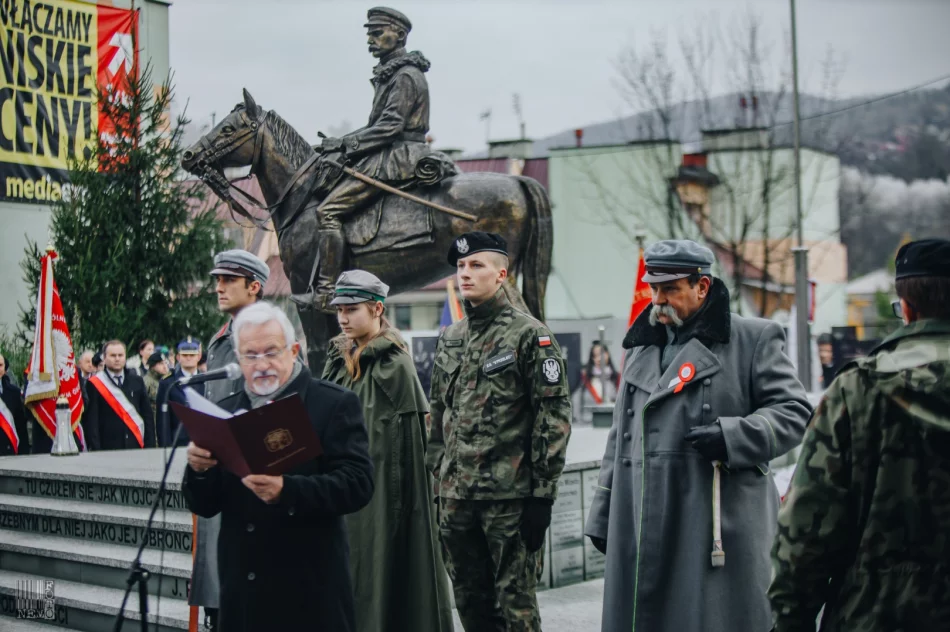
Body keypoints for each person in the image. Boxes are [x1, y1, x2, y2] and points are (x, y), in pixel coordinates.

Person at [584, 239, 811, 632]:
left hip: (713, 521)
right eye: (654, 288)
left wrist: (734, 436)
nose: (658, 300)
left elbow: (794, 412)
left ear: (702, 287)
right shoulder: (642, 346)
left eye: (670, 289)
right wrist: (603, 514)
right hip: (641, 516)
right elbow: (620, 436)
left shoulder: (752, 339)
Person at [770, 238, 950, 631]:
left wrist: (790, 619)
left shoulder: (858, 391)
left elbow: (808, 527)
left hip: (875, 615)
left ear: (906, 308)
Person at [182, 301, 374, 632]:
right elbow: (205, 504)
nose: (262, 365)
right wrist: (199, 470)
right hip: (243, 592)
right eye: (250, 355)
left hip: (308, 591)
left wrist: (289, 490)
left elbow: (358, 484)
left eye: (271, 352)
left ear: (294, 350)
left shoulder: (332, 404)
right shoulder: (225, 410)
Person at [427, 232, 572, 631]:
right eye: (460, 267)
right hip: (458, 498)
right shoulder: (452, 338)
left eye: (476, 266)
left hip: (509, 498)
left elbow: (553, 415)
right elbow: (440, 411)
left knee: (517, 607)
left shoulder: (530, 335)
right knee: (471, 604)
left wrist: (542, 494)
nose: (465, 274)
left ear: (502, 274)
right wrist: (438, 476)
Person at [323, 270, 454, 632]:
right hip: (338, 494)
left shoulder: (396, 366)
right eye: (339, 310)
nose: (343, 318)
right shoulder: (336, 362)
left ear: (377, 309)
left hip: (382, 499)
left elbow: (410, 458)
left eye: (352, 309)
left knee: (381, 577)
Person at [312, 7, 434, 312]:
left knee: (328, 211)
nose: (370, 39)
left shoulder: (405, 75)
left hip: (398, 157)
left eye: (377, 33)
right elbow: (374, 126)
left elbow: (390, 127)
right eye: (369, 33)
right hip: (388, 151)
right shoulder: (392, 73)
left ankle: (326, 292)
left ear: (401, 35)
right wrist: (337, 146)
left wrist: (345, 143)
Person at [191, 248, 269, 632]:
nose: (218, 287)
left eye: (228, 280)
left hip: (254, 480)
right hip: (219, 477)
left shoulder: (273, 339)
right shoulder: (220, 339)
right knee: (219, 603)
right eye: (217, 280)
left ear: (254, 287)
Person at [84, 340, 155, 451]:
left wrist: (150, 447)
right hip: (108, 449)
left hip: (136, 447)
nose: (117, 359)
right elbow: (92, 422)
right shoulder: (95, 383)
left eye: (120, 355)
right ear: (104, 357)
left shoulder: (137, 380)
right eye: (113, 355)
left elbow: (147, 416)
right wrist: (96, 450)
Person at [157, 337, 203, 448]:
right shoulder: (168, 383)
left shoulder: (208, 380)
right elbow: (163, 420)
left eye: (192, 355)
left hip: (203, 444)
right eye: (185, 355)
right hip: (177, 444)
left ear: (199, 356)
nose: (188, 358)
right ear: (178, 357)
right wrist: (166, 447)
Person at [0, 353, 30, 455]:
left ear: (5, 369)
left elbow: (21, 425)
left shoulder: (14, 393)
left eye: (0, 365)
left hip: (9, 451)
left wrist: (24, 454)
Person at [143, 350, 170, 425]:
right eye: (161, 364)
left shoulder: (166, 380)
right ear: (152, 366)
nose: (165, 367)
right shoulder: (146, 382)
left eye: (165, 363)